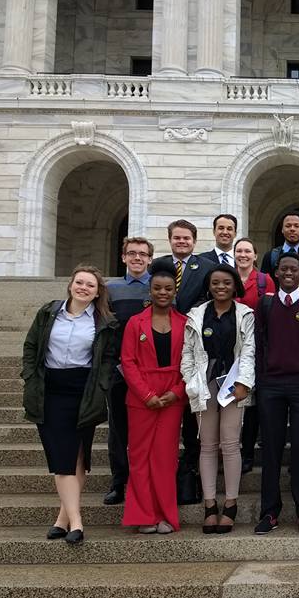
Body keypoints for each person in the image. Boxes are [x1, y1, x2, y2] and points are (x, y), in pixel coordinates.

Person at [21, 265, 118, 545]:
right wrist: (29, 376)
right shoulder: (49, 312)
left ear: (97, 291)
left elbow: (108, 359)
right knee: (61, 459)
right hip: (50, 390)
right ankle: (76, 522)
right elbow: (31, 347)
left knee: (77, 456)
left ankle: (63, 519)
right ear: (70, 284)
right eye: (79, 282)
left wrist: (101, 386)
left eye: (90, 285)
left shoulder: (104, 321)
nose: (84, 288)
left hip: (83, 390)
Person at [254, 253, 299, 534]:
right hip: (271, 386)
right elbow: (259, 344)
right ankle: (269, 512)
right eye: (283, 269)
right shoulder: (265, 304)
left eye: (293, 269)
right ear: (275, 273)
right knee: (271, 451)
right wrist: (261, 379)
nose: (288, 273)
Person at [181, 265, 256, 534]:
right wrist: (191, 381)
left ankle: (231, 504)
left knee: (230, 444)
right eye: (215, 283)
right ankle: (210, 505)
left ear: (235, 285)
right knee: (208, 445)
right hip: (205, 383)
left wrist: (243, 383)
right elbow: (188, 353)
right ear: (209, 285)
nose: (221, 287)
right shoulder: (197, 315)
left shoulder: (245, 314)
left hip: (233, 384)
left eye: (226, 282)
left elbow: (248, 351)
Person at [120, 260, 187, 534]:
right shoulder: (135, 323)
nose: (163, 293)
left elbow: (192, 362)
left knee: (165, 457)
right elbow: (128, 361)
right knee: (139, 456)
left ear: (174, 291)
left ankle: (164, 515)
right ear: (150, 290)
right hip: (141, 397)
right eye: (157, 288)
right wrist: (146, 394)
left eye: (168, 289)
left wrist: (176, 392)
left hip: (172, 395)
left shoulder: (184, 323)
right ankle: (143, 514)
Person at [157, 219, 215, 504]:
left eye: (186, 238)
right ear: (170, 240)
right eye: (177, 238)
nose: (182, 242)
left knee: (194, 417)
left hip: (193, 342)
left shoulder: (204, 267)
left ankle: (189, 468)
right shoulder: (159, 265)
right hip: (162, 344)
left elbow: (209, 298)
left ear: (194, 240)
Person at [103, 236, 153, 505]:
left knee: (145, 430)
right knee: (118, 429)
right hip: (118, 370)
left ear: (149, 259)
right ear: (123, 257)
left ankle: (142, 480)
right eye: (132, 253)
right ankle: (118, 481)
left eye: (142, 254)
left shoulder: (157, 288)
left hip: (149, 372)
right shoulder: (111, 290)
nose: (137, 258)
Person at [233, 236, 274, 473]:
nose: (243, 255)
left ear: (255, 255)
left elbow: (272, 312)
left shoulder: (264, 280)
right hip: (230, 346)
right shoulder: (226, 277)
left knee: (251, 404)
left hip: (256, 346)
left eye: (248, 251)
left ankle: (247, 453)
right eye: (239, 251)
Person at [260, 210, 299, 274]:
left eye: (296, 226)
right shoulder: (270, 256)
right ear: (282, 230)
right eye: (288, 226)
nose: (292, 229)